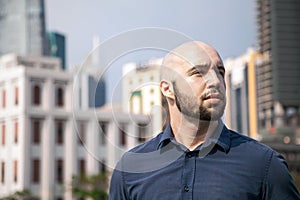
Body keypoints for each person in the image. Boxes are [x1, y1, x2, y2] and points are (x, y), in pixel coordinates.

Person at [109, 41, 300, 199]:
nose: (215, 81)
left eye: (220, 72)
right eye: (198, 73)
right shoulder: (130, 169)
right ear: (167, 89)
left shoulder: (265, 165)